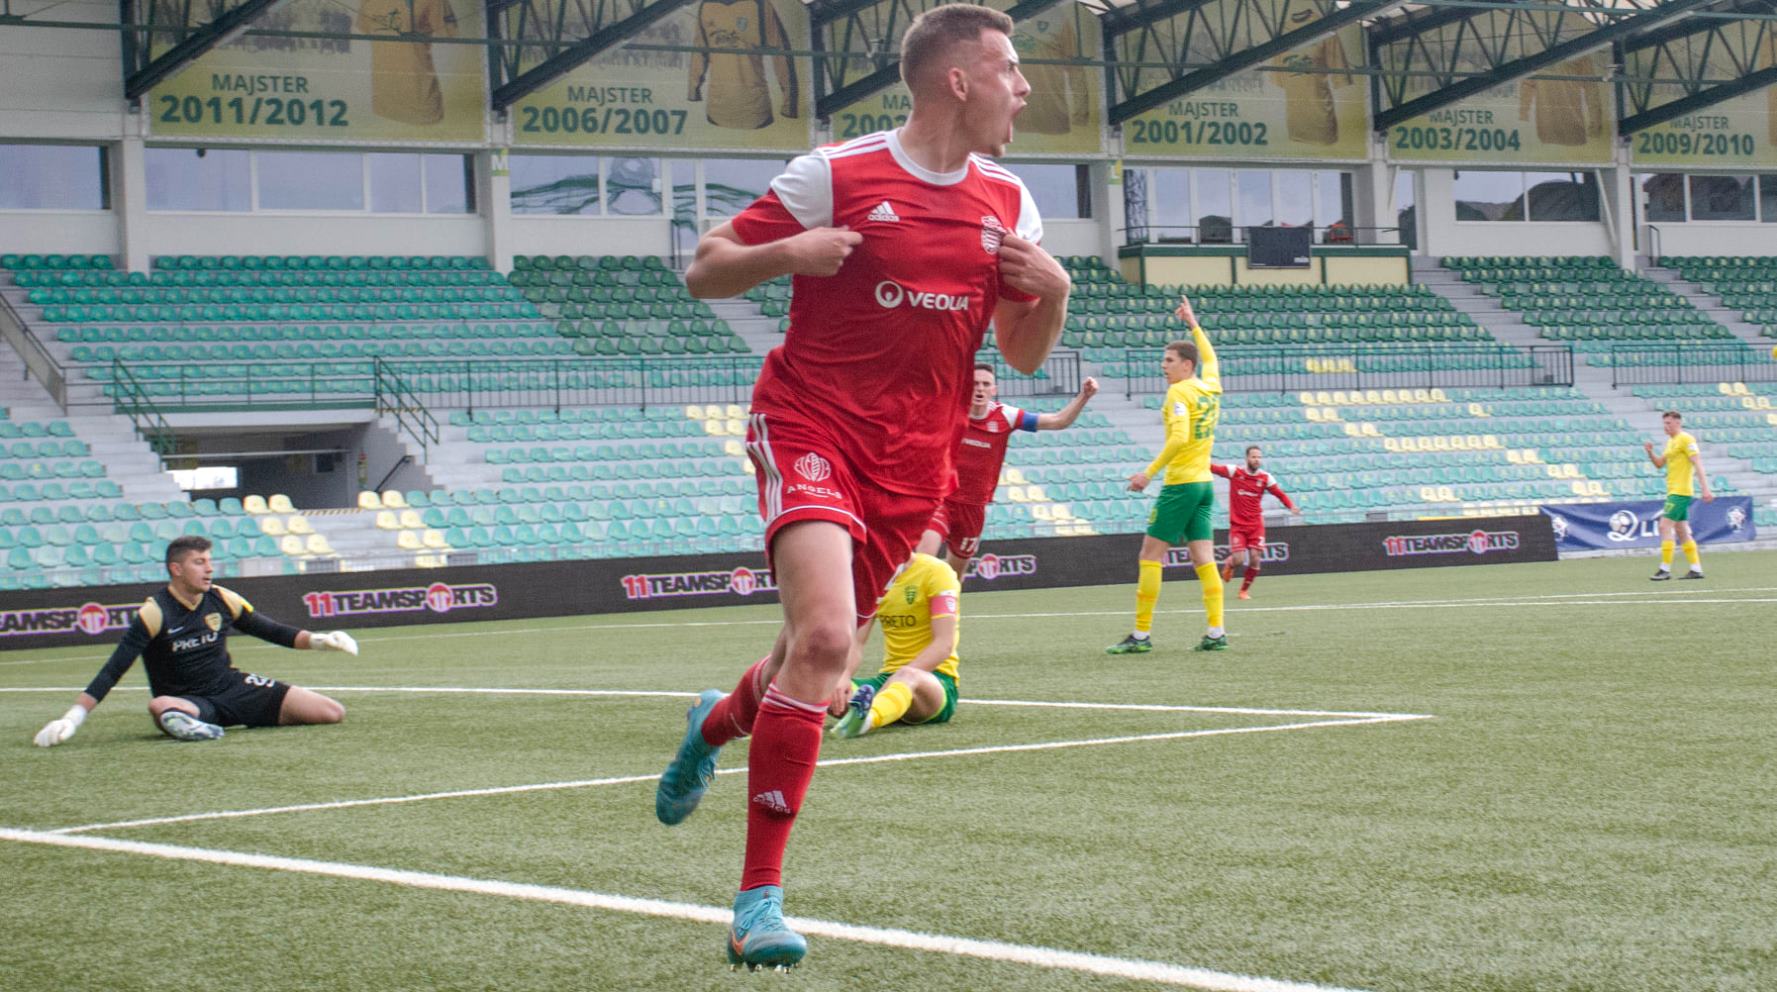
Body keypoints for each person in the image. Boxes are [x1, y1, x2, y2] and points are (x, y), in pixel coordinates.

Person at [651, 3, 1070, 972]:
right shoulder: (834, 174)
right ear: (957, 80)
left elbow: (1020, 353)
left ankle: (710, 725)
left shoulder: (1010, 202)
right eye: (1009, 69)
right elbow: (705, 268)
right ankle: (756, 902)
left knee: (809, 661)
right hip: (810, 426)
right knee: (828, 641)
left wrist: (1053, 292)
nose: (1023, 88)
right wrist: (788, 254)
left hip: (911, 466)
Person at [32, 536, 357, 748]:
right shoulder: (154, 612)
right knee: (161, 706)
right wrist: (72, 718)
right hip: (190, 701)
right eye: (199, 562)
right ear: (176, 569)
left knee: (331, 712)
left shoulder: (222, 598)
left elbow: (272, 631)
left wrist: (321, 641)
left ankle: (218, 722)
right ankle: (196, 723)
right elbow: (112, 671)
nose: (209, 569)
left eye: (209, 561)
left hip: (233, 688)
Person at [1106, 295, 1226, 654]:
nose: (1163, 365)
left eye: (1169, 360)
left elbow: (1178, 438)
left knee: (1150, 555)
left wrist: (1148, 474)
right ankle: (1216, 632)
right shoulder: (1210, 387)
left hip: (1181, 485)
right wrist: (1193, 324)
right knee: (1203, 558)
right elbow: (1212, 359)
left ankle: (1141, 636)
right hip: (1204, 484)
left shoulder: (1179, 392)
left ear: (1186, 365)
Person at [916, 366, 1098, 576]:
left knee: (955, 576)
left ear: (993, 390)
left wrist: (1084, 396)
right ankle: (906, 593)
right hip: (942, 499)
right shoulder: (948, 411)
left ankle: (945, 597)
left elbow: (1058, 421)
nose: (980, 388)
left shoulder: (1006, 416)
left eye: (985, 384)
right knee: (924, 561)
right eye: (975, 383)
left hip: (974, 507)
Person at [830, 552, 961, 738]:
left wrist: (897, 679)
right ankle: (882, 709)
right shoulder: (873, 579)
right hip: (888, 680)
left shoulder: (936, 571)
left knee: (907, 675)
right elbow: (857, 643)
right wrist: (842, 676)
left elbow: (943, 644)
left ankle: (867, 719)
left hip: (935, 683)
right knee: (823, 682)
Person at [1213, 445, 1298, 600]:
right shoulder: (1235, 471)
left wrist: (1291, 506)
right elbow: (1214, 468)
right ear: (1247, 458)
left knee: (1255, 557)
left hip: (1256, 525)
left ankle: (1243, 591)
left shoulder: (1265, 477)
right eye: (1254, 457)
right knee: (1239, 559)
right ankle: (1230, 564)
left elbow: (1279, 493)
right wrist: (1197, 462)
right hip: (1238, 525)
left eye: (1259, 457)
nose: (1257, 460)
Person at [1644, 410, 1713, 580]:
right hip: (1673, 491)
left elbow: (1697, 463)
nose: (1665, 426)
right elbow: (1659, 464)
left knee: (1664, 526)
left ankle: (1665, 569)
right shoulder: (1671, 442)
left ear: (1678, 423)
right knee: (1681, 531)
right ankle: (1696, 569)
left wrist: (1705, 489)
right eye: (1664, 423)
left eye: (1668, 423)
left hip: (1680, 492)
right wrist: (1650, 452)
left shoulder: (1686, 439)